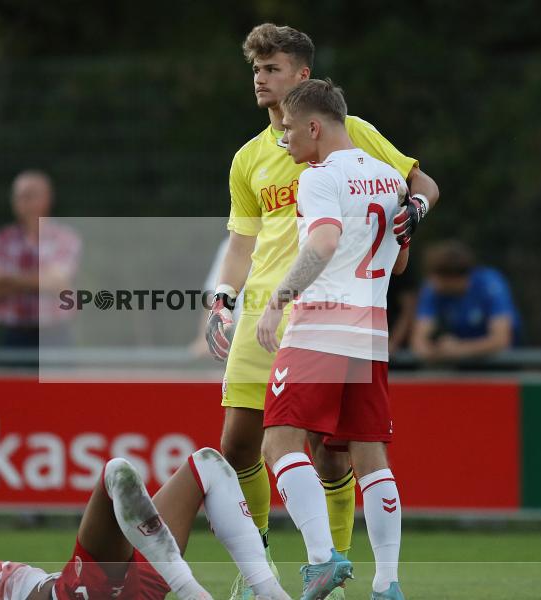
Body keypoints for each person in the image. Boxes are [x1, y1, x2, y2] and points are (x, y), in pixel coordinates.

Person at [204, 23, 439, 598]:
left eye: (271, 68)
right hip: (340, 318)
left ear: (303, 80)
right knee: (243, 443)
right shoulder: (250, 158)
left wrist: (419, 206)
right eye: (255, 69)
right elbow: (241, 241)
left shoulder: (342, 142)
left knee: (315, 455)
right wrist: (222, 299)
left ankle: (328, 561)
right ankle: (292, 567)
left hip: (309, 313)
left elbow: (418, 185)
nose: (259, 79)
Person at [0, 388, 290, 600]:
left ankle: (268, 592)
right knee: (116, 474)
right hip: (71, 594)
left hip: (100, 590)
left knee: (206, 464)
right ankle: (194, 594)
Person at [255, 79, 412, 600]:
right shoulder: (391, 180)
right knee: (371, 456)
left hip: (321, 323)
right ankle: (388, 584)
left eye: (290, 131)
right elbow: (401, 257)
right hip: (371, 328)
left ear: (315, 127)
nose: (285, 142)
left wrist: (279, 298)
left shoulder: (320, 178)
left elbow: (324, 241)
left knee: (278, 441)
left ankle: (322, 559)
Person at [0, 171, 81, 348]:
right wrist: (40, 280)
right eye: (18, 196)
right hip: (14, 335)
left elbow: (58, 282)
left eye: (28, 195)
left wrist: (10, 280)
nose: (22, 201)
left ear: (47, 198)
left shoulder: (64, 237)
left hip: (54, 333)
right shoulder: (2, 238)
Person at [410, 240, 521, 363]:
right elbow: (418, 342)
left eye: (438, 279)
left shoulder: (490, 284)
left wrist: (459, 349)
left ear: (454, 278)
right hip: (462, 364)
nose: (433, 283)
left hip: (503, 363)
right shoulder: (432, 289)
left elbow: (501, 340)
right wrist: (437, 350)